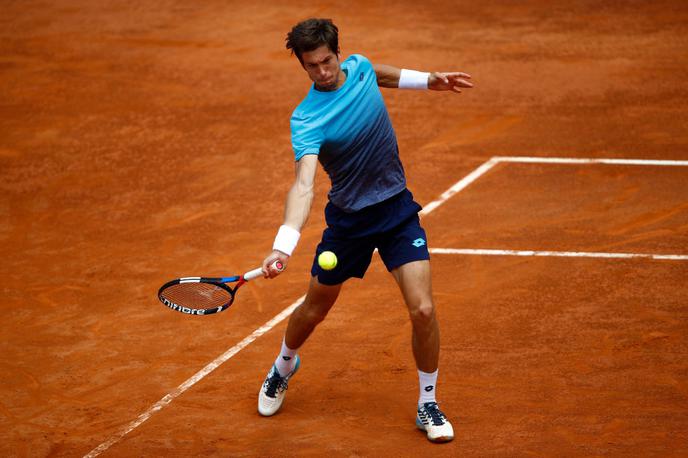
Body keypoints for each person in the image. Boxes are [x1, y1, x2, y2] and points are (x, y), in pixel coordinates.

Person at [258, 18, 472, 443]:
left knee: (424, 310)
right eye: (311, 67)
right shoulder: (306, 119)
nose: (322, 72)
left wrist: (431, 80)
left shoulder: (359, 68)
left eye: (326, 61)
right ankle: (283, 365)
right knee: (314, 310)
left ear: (339, 53)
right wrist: (284, 244)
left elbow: (381, 74)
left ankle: (427, 402)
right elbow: (304, 184)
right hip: (349, 224)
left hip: (395, 211)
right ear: (302, 67)